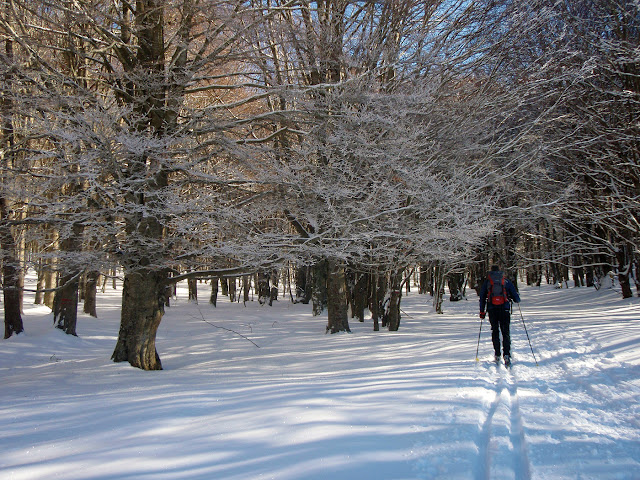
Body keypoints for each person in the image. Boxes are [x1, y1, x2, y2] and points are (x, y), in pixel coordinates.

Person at [479, 265, 521, 366]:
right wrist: (514, 299)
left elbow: (482, 296)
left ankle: (497, 354)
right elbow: (517, 298)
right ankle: (506, 354)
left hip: (492, 309)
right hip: (504, 309)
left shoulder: (487, 282)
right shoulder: (506, 281)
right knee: (505, 332)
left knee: (495, 331)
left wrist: (482, 311)